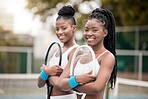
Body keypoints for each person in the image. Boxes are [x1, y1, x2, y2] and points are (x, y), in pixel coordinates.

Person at [58, 7, 117, 99]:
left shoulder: (107, 57)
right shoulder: (79, 57)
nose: (89, 33)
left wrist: (71, 85)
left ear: (105, 33)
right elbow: (61, 83)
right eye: (86, 30)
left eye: (94, 30)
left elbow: (96, 88)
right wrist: (77, 79)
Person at [38, 5, 81, 99]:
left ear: (73, 28)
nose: (59, 32)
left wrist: (46, 73)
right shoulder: (56, 51)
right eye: (57, 29)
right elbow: (40, 84)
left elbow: (62, 84)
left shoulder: (76, 51)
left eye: (64, 28)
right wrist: (46, 71)